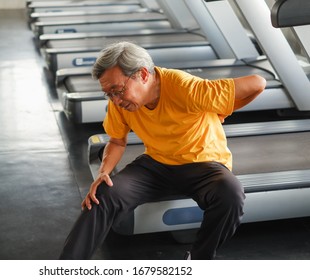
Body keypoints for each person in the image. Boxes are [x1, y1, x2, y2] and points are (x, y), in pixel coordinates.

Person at [59, 41, 266, 260]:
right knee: (102, 195)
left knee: (230, 193)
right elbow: (117, 141)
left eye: (118, 91)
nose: (116, 100)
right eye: (109, 94)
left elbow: (258, 82)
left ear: (143, 75)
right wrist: (104, 172)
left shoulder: (186, 87)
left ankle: (198, 261)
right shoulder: (118, 103)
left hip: (204, 165)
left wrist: (223, 107)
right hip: (156, 165)